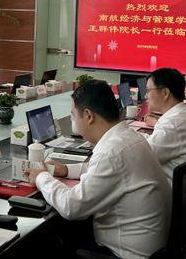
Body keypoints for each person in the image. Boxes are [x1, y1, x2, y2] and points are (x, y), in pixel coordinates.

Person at [26, 80, 171, 259]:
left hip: (124, 254)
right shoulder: (128, 137)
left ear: (88, 115)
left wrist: (41, 177)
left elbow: (71, 207)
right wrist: (66, 170)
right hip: (151, 248)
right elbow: (111, 171)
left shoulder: (111, 152)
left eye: (73, 115)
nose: (74, 121)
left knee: (46, 242)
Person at [143, 67, 186, 185]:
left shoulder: (173, 125)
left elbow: (142, 157)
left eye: (148, 90)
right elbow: (154, 143)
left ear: (165, 93)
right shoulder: (185, 115)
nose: (145, 96)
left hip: (168, 191)